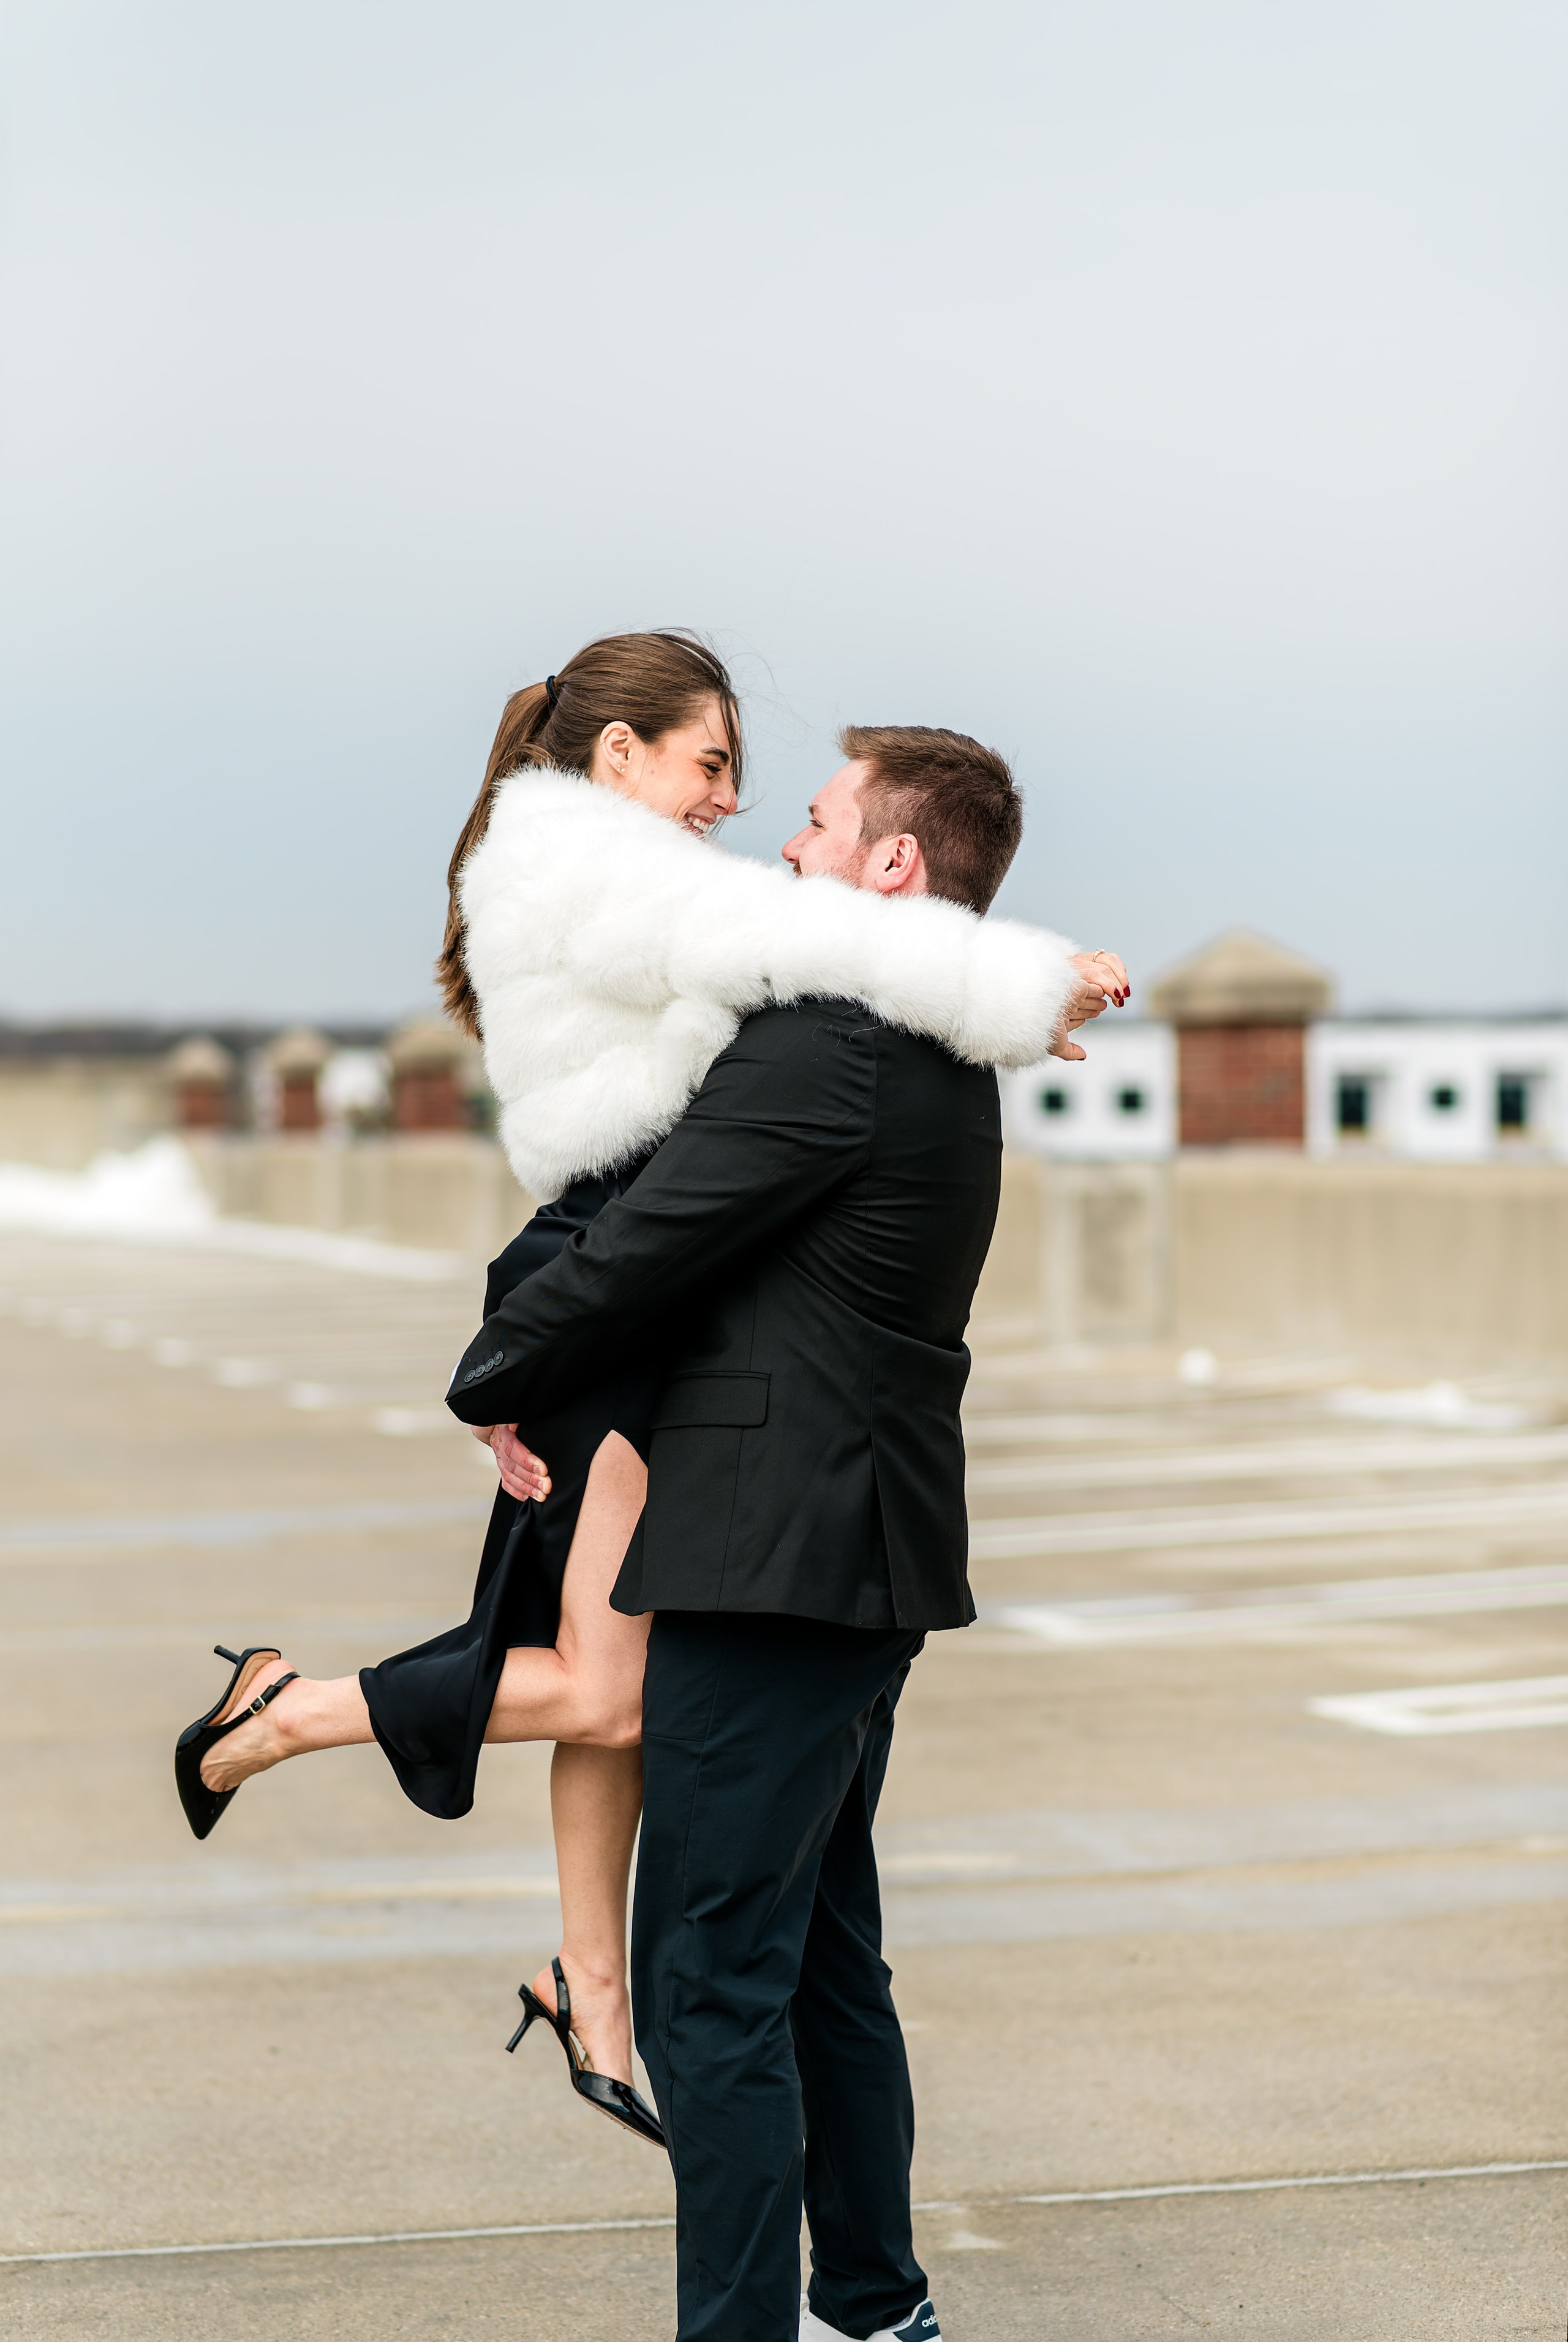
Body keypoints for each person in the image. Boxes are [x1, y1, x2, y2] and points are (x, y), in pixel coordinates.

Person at [175, 632, 1126, 2155]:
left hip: (626, 1276)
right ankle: (291, 1715)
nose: (730, 802)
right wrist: (1026, 979)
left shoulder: (586, 860)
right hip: (606, 1280)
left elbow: (830, 941)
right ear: (617, 754)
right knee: (611, 1687)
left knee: (600, 1683)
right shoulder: (593, 868)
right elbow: (844, 940)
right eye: (709, 763)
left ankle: (588, 1979)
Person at [444, 722, 1123, 2342]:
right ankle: (877, 2307)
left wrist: (493, 1374)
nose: (785, 850)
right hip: (848, 1557)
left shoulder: (832, 1045)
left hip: (776, 1563)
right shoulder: (921, 1043)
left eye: (814, 823)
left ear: (893, 864)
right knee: (818, 1958)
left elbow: (650, 1247)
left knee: (707, 1984)